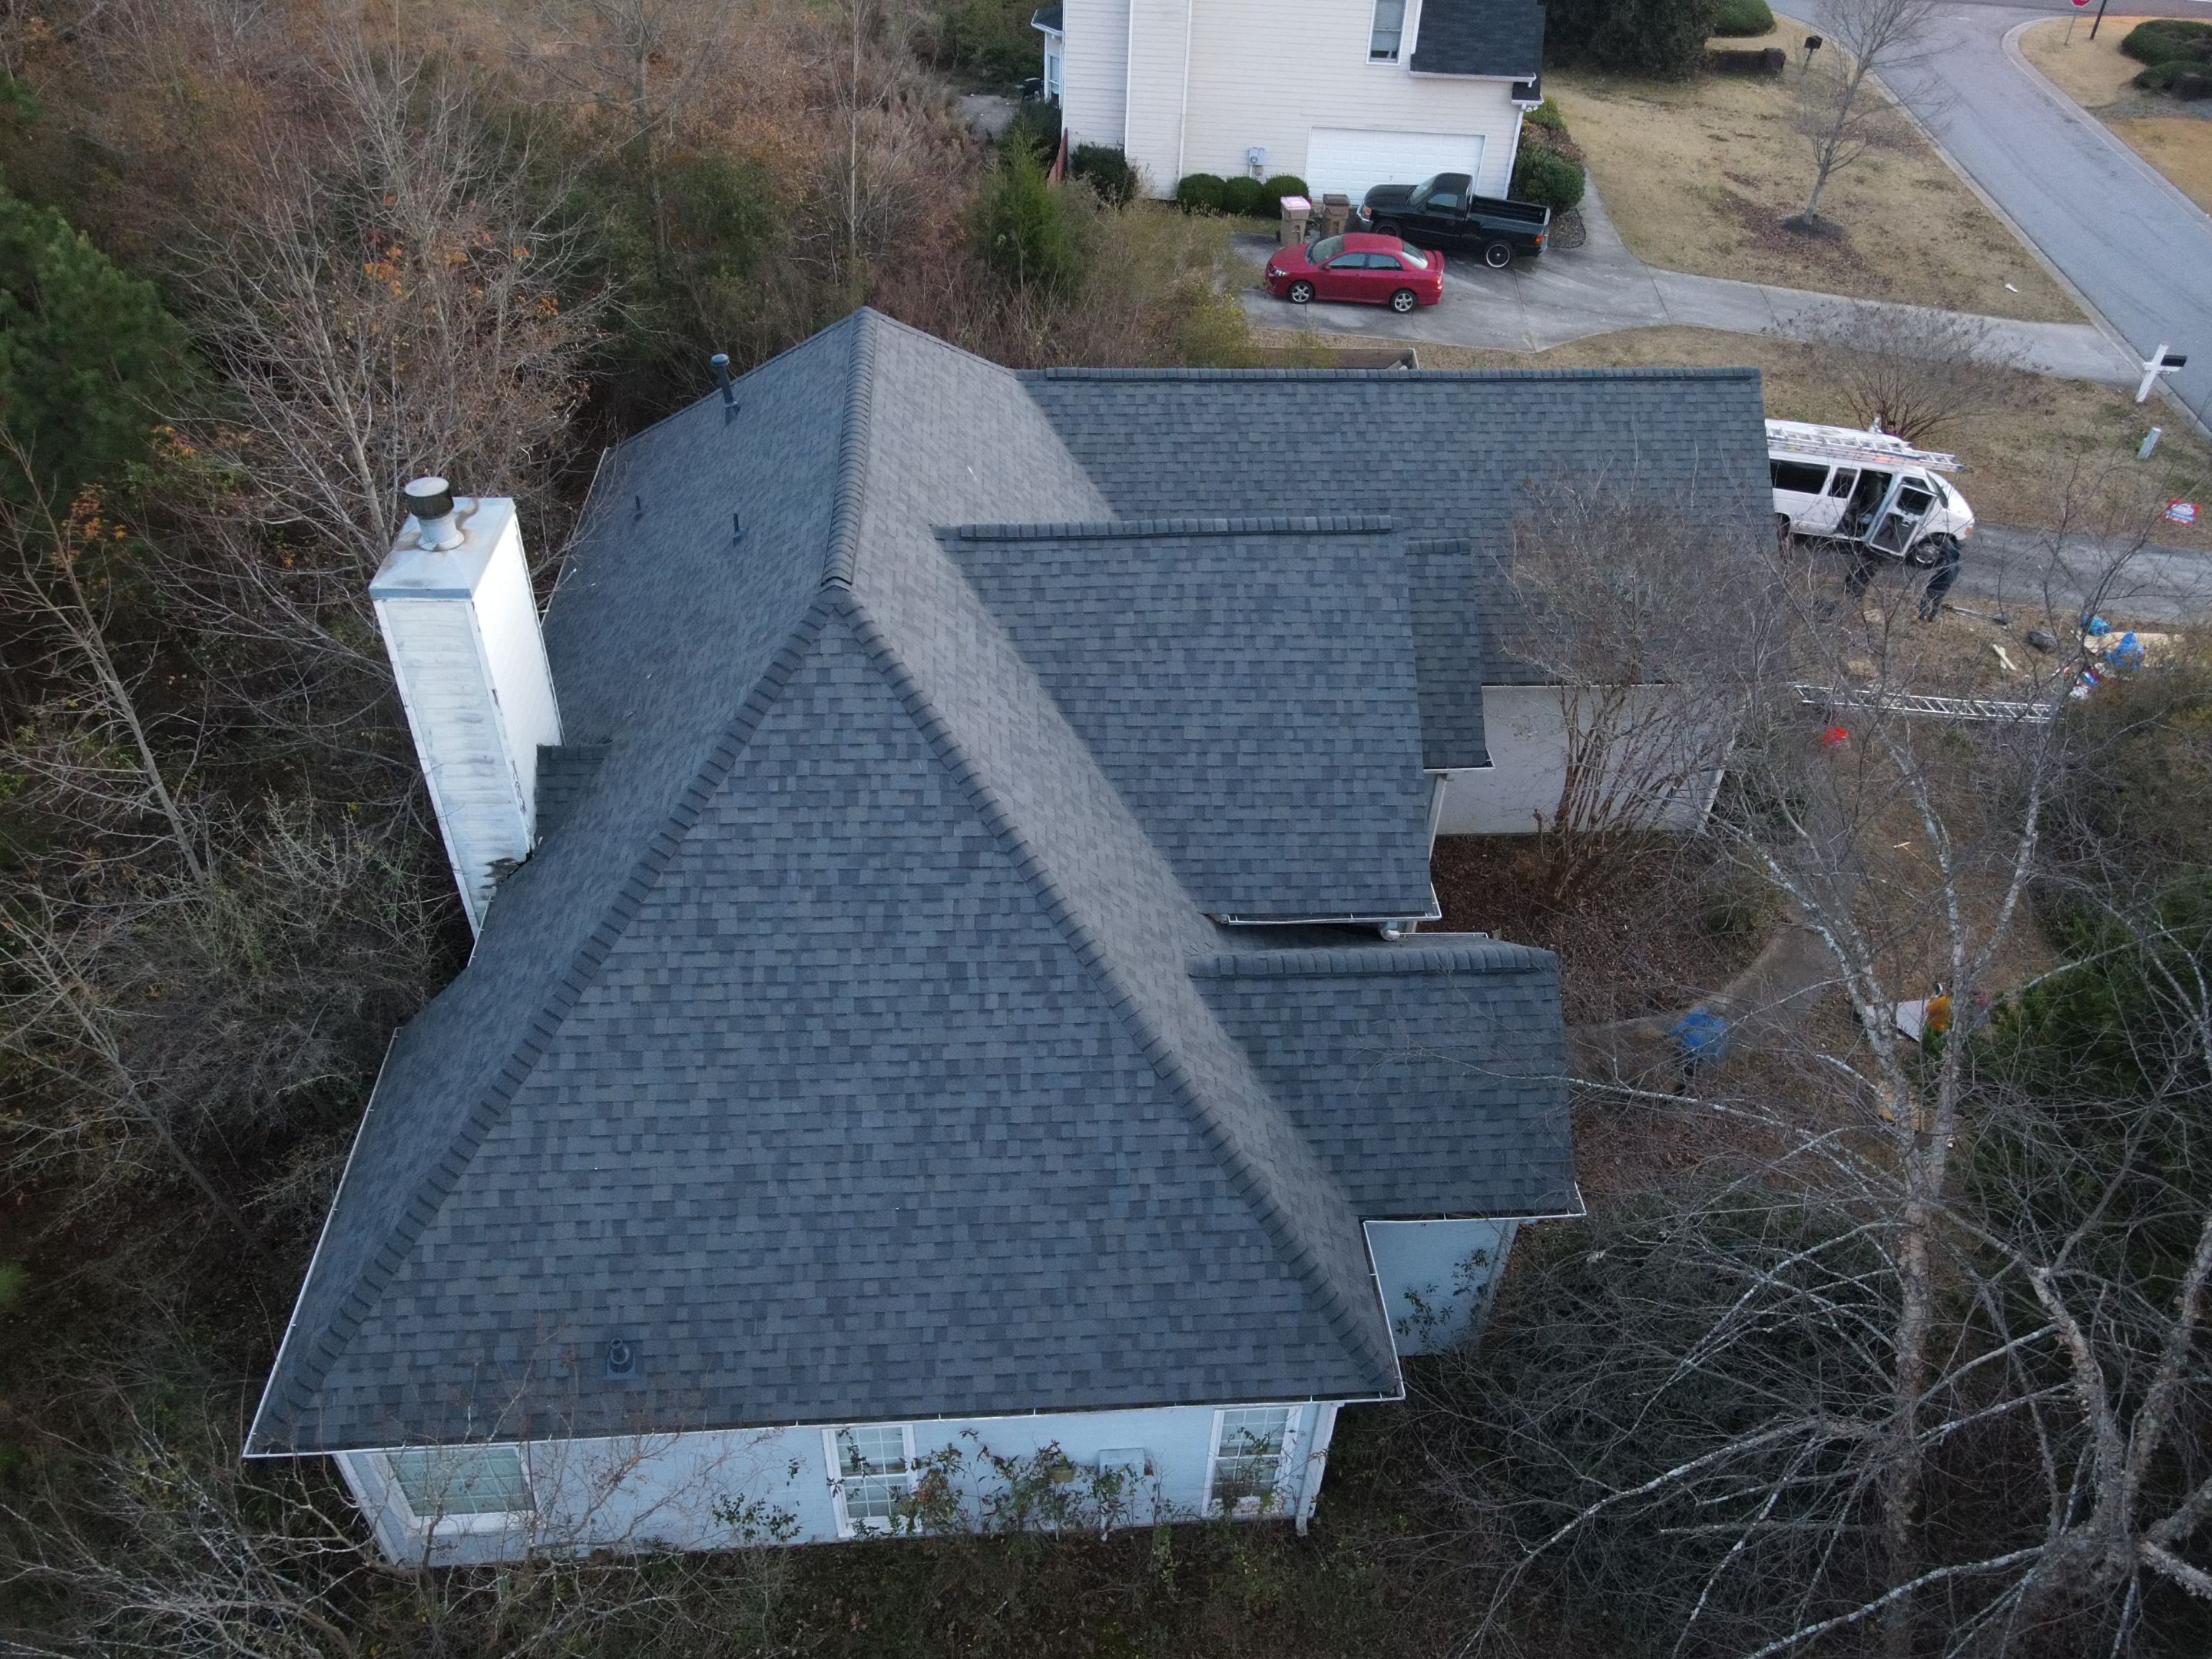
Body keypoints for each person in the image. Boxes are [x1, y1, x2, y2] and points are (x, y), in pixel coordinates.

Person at [1667, 1006, 1730, 1094]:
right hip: (1699, 1055)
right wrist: (1716, 1062)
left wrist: (1666, 1036)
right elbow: (1720, 1046)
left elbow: (1680, 1027)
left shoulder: (1697, 1016)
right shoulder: (1721, 1025)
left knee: (1674, 1068)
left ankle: (1668, 1087)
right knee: (1687, 1075)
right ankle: (1677, 1094)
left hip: (1684, 1048)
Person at [1916, 537, 1962, 621]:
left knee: (1925, 601)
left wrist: (1930, 581)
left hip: (1934, 587)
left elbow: (1937, 574)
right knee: (1936, 604)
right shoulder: (1958, 566)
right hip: (1944, 589)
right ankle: (1932, 617)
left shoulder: (1946, 567)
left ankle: (1921, 617)